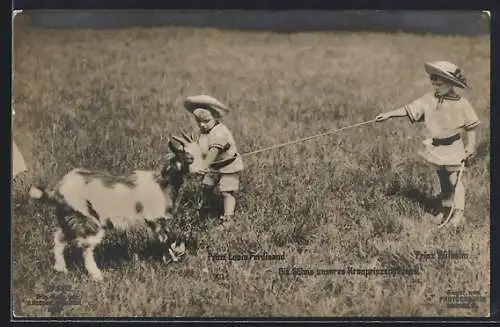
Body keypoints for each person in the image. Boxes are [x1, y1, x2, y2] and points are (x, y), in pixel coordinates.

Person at [375, 61, 480, 227]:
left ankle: (458, 214)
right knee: (443, 180)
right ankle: (446, 210)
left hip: (453, 148)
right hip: (437, 148)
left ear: (451, 83)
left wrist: (471, 146)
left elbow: (471, 126)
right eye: (434, 84)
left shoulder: (461, 104)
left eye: (440, 84)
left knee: (455, 180)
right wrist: (389, 114)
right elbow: (409, 108)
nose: (436, 87)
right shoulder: (429, 99)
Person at [184, 95, 244, 228]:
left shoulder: (219, 133)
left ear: (215, 117)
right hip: (213, 166)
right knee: (206, 186)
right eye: (198, 121)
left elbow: (212, 153)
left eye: (206, 121)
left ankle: (228, 219)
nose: (202, 124)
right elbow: (197, 147)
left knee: (226, 192)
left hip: (228, 166)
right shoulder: (202, 132)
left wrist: (203, 166)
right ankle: (206, 207)